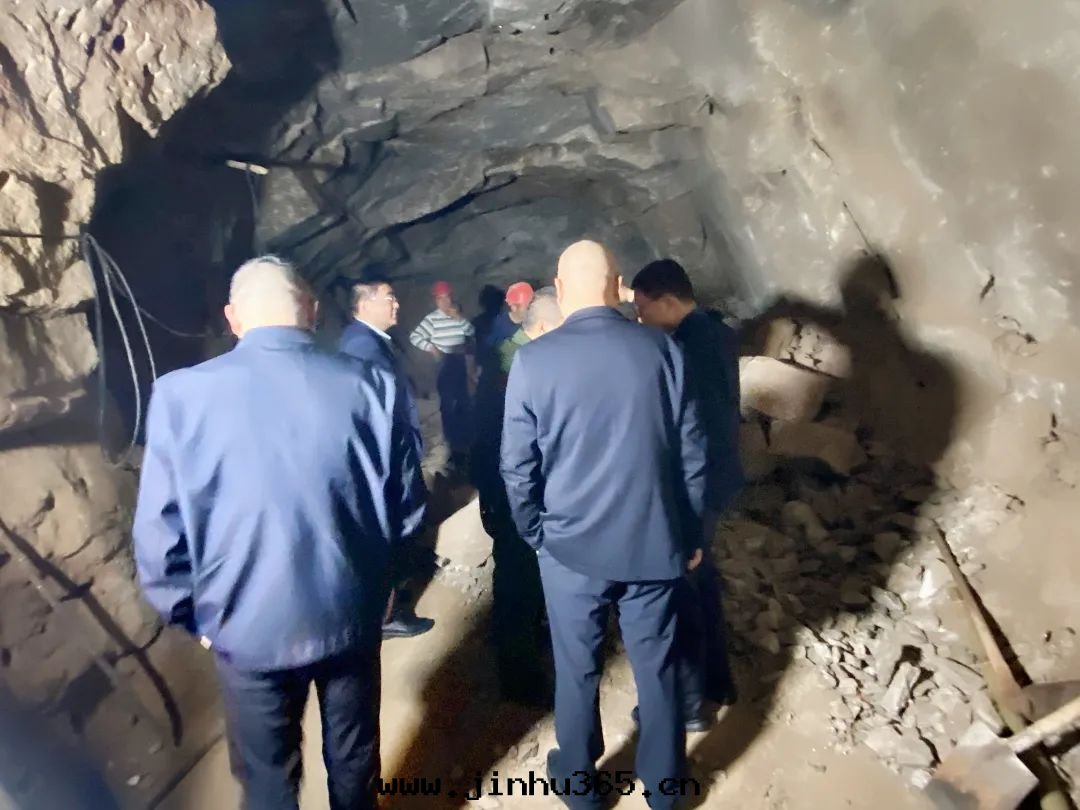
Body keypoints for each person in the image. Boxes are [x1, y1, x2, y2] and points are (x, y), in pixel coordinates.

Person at [133, 256, 426, 810]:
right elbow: (406, 508)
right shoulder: (372, 385)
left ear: (232, 318)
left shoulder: (180, 397)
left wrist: (196, 617)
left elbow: (159, 535)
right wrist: (384, 589)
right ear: (311, 312)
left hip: (245, 627)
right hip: (351, 612)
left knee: (268, 778)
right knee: (354, 756)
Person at [501, 241, 707, 810]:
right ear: (618, 285)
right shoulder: (663, 350)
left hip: (570, 548)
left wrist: (535, 533)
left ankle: (579, 783)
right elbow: (692, 454)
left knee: (577, 669)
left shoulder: (534, 361)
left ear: (560, 288)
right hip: (653, 542)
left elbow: (516, 466)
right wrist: (691, 535)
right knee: (658, 666)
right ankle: (665, 787)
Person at [630, 258, 744, 730]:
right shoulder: (715, 332)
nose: (640, 319)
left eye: (643, 308)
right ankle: (718, 682)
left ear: (667, 302)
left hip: (698, 483)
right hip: (718, 477)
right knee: (703, 584)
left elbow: (695, 433)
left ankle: (689, 704)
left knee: (683, 593)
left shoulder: (686, 348)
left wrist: (686, 511)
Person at [473, 287, 564, 706]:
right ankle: (518, 673)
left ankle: (522, 642)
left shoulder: (515, 358)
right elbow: (510, 442)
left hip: (508, 487)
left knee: (521, 575)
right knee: (517, 576)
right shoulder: (520, 366)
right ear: (543, 326)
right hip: (513, 491)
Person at [339, 280, 435, 640]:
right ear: (364, 305)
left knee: (400, 525)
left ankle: (396, 596)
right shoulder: (362, 346)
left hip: (393, 453)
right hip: (388, 458)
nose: (396, 304)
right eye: (388, 298)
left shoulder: (371, 341)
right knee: (393, 528)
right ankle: (389, 614)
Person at [409, 281, 476, 467]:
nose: (444, 301)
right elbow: (415, 336)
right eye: (441, 298)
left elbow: (471, 332)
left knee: (463, 401)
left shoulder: (456, 316)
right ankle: (451, 442)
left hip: (459, 361)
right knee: (447, 403)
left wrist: (459, 318)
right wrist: (431, 348)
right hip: (444, 363)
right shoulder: (432, 319)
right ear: (436, 300)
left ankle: (465, 441)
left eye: (447, 297)